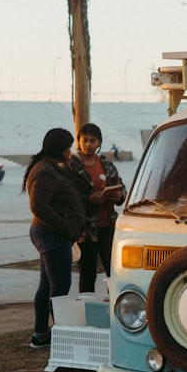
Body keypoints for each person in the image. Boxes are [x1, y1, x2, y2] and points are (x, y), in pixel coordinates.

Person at [22, 128, 85, 348]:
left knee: (48, 285)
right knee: (59, 288)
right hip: (52, 235)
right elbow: (39, 206)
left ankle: (41, 334)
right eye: (68, 146)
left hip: (52, 235)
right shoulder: (45, 171)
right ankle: (60, 334)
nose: (70, 151)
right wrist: (66, 227)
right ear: (59, 148)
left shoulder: (50, 168)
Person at [68, 123, 125, 293]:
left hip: (108, 226)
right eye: (84, 140)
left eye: (93, 141)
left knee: (113, 271)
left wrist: (118, 196)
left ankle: (113, 307)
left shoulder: (106, 164)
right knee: (88, 273)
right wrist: (89, 199)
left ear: (99, 143)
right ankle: (88, 310)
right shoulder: (71, 165)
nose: (88, 144)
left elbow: (121, 187)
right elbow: (67, 196)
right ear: (78, 141)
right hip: (85, 229)